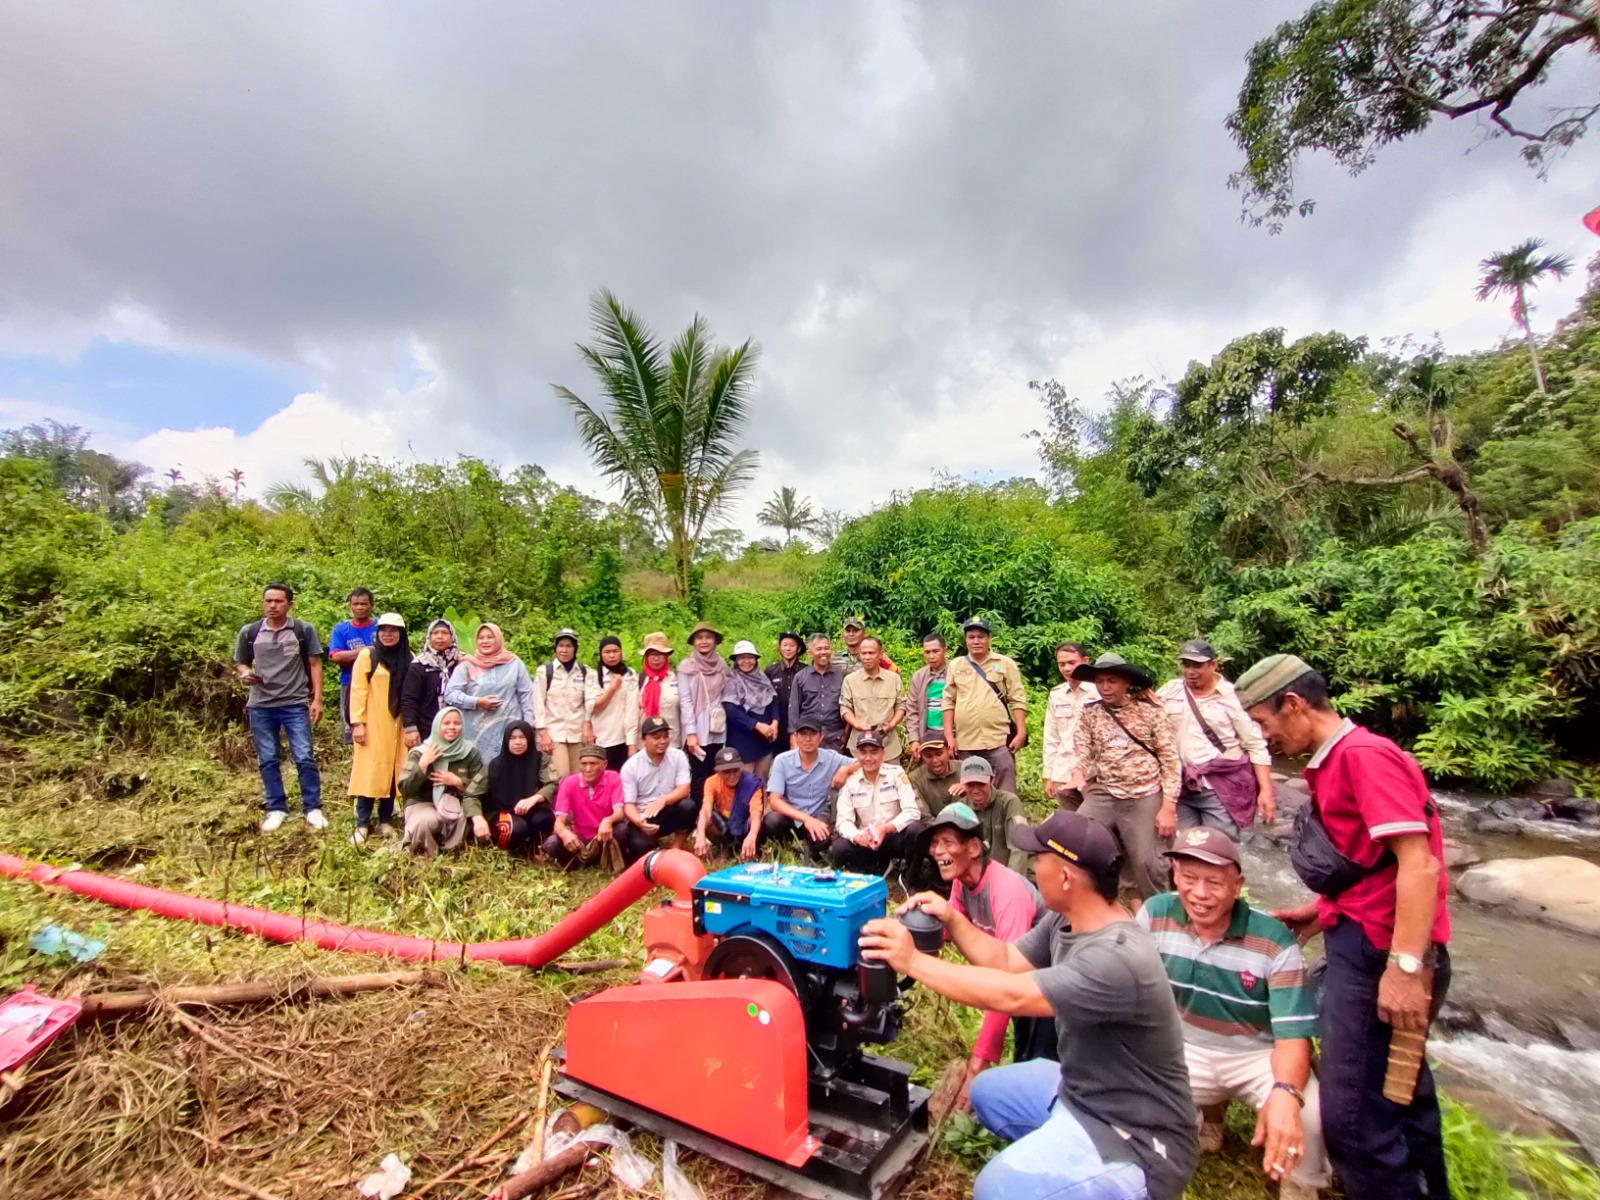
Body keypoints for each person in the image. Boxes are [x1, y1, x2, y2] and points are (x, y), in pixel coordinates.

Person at [860, 810, 1198, 1200]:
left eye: (1038, 860)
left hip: (1138, 1136)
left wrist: (915, 962)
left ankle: (1108, 1178)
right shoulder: (1066, 919)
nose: (1032, 867)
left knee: (995, 1189)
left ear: (1067, 877)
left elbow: (1011, 993)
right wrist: (952, 917)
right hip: (1082, 1089)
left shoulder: (1116, 957)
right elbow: (1005, 960)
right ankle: (1063, 1154)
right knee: (989, 1094)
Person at [1237, 655, 1452, 1200]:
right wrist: (1318, 913)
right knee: (1401, 1097)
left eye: (1264, 722)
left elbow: (1419, 863)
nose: (1265, 737)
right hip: (1364, 937)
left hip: (1385, 954)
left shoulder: (1363, 757)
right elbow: (1372, 865)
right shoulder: (1335, 762)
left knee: (1354, 1122)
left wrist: (1405, 967)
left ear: (1294, 704)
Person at [1136, 828, 1327, 1199]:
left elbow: (1291, 1037)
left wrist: (1287, 1093)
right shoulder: (1154, 915)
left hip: (1256, 1055)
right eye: (1188, 879)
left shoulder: (1274, 940)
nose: (1200, 893)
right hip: (1183, 1048)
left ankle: (1302, 1185)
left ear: (1237, 884)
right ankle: (1194, 1128)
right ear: (1175, 875)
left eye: (1214, 882)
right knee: (1134, 1105)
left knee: (1310, 1115)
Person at [925, 802, 1051, 1108]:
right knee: (1025, 1055)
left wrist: (978, 1063)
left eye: (947, 843)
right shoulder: (961, 882)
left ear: (972, 848)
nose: (938, 851)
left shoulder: (1006, 890)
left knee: (1040, 1064)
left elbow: (1006, 982)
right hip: (1019, 981)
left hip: (1047, 984)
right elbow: (951, 927)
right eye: (934, 843)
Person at [1069, 653, 1181, 901]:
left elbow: (1170, 760)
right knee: (1075, 842)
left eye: (1112, 681)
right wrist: (1078, 774)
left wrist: (1169, 806)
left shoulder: (1150, 712)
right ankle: (1091, 901)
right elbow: (1082, 750)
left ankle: (1160, 915)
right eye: (1100, 681)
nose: (1105, 688)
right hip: (1105, 791)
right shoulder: (1090, 713)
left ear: (1127, 683)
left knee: (1148, 862)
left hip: (1144, 794)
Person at [1155, 639, 1274, 837]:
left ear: (1214, 665)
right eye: (1186, 665)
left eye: (1198, 665)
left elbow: (1255, 745)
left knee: (1220, 850)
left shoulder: (1233, 697)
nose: (1191, 671)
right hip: (1180, 786)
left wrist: (1266, 791)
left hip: (1220, 787)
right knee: (1184, 846)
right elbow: (1149, 719)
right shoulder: (1171, 690)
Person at [233, 583, 326, 833]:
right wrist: (246, 673)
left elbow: (315, 664)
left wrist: (317, 699)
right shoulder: (250, 632)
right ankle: (276, 808)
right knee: (268, 758)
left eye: (278, 601)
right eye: (268, 601)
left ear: (289, 604)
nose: (272, 606)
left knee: (304, 756)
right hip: (261, 705)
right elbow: (241, 663)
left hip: (294, 702)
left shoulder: (302, 630)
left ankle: (312, 807)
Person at [941, 618, 1027, 792]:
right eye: (971, 637)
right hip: (966, 742)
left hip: (999, 740)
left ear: (989, 639)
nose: (976, 641)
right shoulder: (956, 665)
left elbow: (1017, 698)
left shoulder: (1004, 664)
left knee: (1005, 791)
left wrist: (1021, 732)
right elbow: (948, 700)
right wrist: (949, 737)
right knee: (970, 791)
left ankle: (1006, 819)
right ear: (965, 640)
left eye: (981, 636)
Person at [347, 612, 411, 845]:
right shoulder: (368, 656)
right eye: (384, 630)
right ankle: (362, 823)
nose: (388, 635)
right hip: (372, 724)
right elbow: (358, 691)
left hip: (398, 726)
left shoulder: (408, 657)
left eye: (393, 631)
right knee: (369, 773)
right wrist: (358, 723)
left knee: (393, 772)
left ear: (401, 634)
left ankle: (385, 820)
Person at [829, 731, 925, 874]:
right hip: (866, 840)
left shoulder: (896, 773)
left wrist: (885, 829)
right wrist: (857, 836)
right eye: (863, 752)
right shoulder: (850, 782)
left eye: (874, 752)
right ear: (857, 755)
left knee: (917, 830)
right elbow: (843, 821)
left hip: (892, 835)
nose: (868, 758)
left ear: (883, 754)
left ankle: (911, 878)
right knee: (839, 848)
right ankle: (874, 866)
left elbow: (913, 812)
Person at [397, 707, 489, 856]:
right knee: (427, 820)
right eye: (446, 723)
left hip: (455, 802)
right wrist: (423, 765)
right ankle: (425, 852)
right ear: (437, 725)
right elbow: (405, 788)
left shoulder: (470, 752)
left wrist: (459, 782)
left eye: (456, 723)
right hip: (422, 803)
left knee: (460, 817)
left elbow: (481, 787)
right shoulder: (420, 752)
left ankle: (450, 851)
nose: (452, 727)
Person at [761, 716, 856, 859]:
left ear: (821, 737)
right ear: (796, 737)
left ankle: (810, 852)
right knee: (771, 821)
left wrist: (846, 770)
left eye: (812, 734)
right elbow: (774, 801)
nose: (808, 739)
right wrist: (806, 819)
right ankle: (787, 849)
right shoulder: (782, 760)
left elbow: (863, 762)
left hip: (818, 814)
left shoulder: (831, 758)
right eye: (803, 734)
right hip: (791, 816)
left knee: (823, 838)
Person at [444, 623, 534, 769]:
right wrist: (476, 702)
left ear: (498, 639)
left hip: (509, 731)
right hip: (476, 734)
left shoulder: (514, 664)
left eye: (490, 637)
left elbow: (526, 696)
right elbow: (450, 694)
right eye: (481, 638)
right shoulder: (467, 665)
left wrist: (529, 728)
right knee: (478, 776)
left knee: (509, 773)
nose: (485, 641)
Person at [618, 716, 699, 862]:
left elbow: (685, 788)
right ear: (643, 740)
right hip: (644, 816)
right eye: (656, 737)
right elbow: (628, 805)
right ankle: (650, 843)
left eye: (665, 736)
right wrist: (639, 822)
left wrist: (664, 800)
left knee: (688, 806)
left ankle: (676, 848)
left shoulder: (678, 756)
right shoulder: (631, 766)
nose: (662, 741)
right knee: (640, 849)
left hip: (668, 809)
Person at [545, 744, 626, 870]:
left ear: (604, 764)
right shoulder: (569, 783)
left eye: (593, 764)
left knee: (622, 830)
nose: (588, 769)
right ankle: (581, 862)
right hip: (581, 837)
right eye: (584, 764)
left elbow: (620, 812)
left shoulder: (613, 778)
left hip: (605, 835)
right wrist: (564, 832)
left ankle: (591, 860)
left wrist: (608, 820)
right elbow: (559, 822)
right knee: (552, 843)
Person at [484, 720, 556, 854]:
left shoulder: (540, 759)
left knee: (546, 818)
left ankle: (533, 849)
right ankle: (504, 853)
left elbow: (552, 783)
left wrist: (534, 799)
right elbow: (472, 794)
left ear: (529, 738)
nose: (518, 742)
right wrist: (476, 818)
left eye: (522, 737)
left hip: (532, 809)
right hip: (502, 811)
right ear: (506, 740)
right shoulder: (494, 765)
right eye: (513, 738)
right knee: (514, 828)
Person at [677, 621, 730, 802]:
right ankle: (698, 817)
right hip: (698, 728)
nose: (704, 641)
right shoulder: (686, 667)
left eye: (708, 637)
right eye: (699, 638)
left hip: (718, 727)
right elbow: (685, 701)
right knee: (698, 775)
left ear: (715, 641)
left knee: (715, 771)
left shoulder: (722, 665)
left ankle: (713, 815)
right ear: (693, 642)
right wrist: (691, 733)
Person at [952, 757, 1030, 874]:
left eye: (981, 784)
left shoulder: (1008, 802)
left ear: (992, 780)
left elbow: (1019, 847)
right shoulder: (961, 808)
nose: (976, 790)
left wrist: (1012, 880)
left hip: (1008, 872)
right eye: (970, 785)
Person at [533, 628, 588, 785]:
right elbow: (538, 703)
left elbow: (588, 702)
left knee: (581, 778)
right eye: (561, 645)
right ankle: (561, 810)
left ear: (575, 648)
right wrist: (543, 733)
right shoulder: (544, 671)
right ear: (555, 648)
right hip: (554, 734)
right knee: (561, 778)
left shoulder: (584, 672)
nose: (564, 650)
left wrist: (587, 726)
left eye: (569, 646)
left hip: (577, 734)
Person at [1043, 642, 1093, 810]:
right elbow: (1052, 737)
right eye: (1062, 664)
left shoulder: (1099, 692)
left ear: (1085, 661)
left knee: (1097, 822)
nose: (1066, 668)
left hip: (1092, 773)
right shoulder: (1057, 695)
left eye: (1072, 662)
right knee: (1071, 825)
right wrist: (1049, 775)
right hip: (1063, 771)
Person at [840, 637, 907, 760]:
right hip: (859, 747)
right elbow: (845, 708)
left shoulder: (893, 679)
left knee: (892, 779)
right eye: (863, 653)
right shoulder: (850, 680)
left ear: (880, 655)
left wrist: (891, 724)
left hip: (888, 746)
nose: (867, 657)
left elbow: (901, 705)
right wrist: (856, 723)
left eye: (871, 653)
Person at [722, 640, 780, 779]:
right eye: (742, 658)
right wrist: (757, 726)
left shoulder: (762, 678)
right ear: (736, 660)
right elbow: (731, 710)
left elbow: (773, 701)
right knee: (744, 782)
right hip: (743, 742)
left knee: (761, 781)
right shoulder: (731, 680)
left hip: (765, 740)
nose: (746, 661)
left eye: (750, 657)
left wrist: (775, 723)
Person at [694, 747, 764, 862]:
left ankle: (751, 849)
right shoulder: (711, 782)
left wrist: (752, 835)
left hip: (745, 824)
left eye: (735, 770)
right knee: (705, 818)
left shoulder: (751, 783)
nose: (732, 775)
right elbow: (706, 810)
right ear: (717, 771)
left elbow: (756, 813)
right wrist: (700, 833)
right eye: (726, 772)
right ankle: (726, 848)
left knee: (756, 822)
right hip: (725, 824)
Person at [402, 619, 463, 751]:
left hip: (458, 728)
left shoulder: (463, 663)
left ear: (452, 637)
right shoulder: (420, 664)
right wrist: (410, 728)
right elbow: (409, 699)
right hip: (426, 728)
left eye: (445, 633)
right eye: (435, 633)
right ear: (429, 637)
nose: (440, 637)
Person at [327, 587, 376, 746]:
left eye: (364, 604)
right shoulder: (341, 630)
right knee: (352, 727)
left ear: (371, 606)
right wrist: (366, 651)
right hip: (350, 683)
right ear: (350, 606)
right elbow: (337, 656)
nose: (360, 607)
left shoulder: (380, 628)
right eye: (356, 604)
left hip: (377, 683)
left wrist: (351, 654)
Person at [585, 636, 639, 773]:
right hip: (601, 739)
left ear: (621, 652)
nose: (611, 655)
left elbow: (631, 709)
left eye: (615, 651)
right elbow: (593, 707)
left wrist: (631, 743)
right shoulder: (593, 676)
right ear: (601, 654)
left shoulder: (630, 675)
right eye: (607, 652)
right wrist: (613, 688)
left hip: (624, 739)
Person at [788, 635, 847, 751]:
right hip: (808, 738)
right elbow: (793, 709)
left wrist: (846, 733)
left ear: (831, 650)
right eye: (819, 649)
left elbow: (848, 706)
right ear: (810, 653)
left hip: (835, 738)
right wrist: (793, 739)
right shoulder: (800, 677)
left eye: (826, 648)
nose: (823, 652)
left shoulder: (841, 675)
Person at [905, 632, 950, 757]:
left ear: (945, 651)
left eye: (935, 651)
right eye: (927, 652)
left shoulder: (956, 671)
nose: (931, 656)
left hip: (953, 735)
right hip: (928, 735)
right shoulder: (919, 676)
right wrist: (914, 739)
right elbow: (912, 710)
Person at [636, 632, 683, 747]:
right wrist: (631, 745)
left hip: (672, 742)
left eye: (660, 654)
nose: (656, 658)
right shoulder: (639, 680)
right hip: (646, 745)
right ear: (646, 657)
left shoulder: (676, 678)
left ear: (666, 656)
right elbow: (632, 716)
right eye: (652, 654)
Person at [765, 631, 806, 748]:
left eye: (792, 645)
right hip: (777, 727)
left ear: (798, 649)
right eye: (785, 645)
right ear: (779, 648)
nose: (788, 649)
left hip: (801, 727)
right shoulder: (771, 671)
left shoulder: (806, 671)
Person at [907, 737, 959, 819]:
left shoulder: (963, 768)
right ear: (921, 756)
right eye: (928, 756)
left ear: (948, 751)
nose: (934, 760)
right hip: (934, 826)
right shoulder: (915, 778)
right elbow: (924, 815)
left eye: (939, 754)